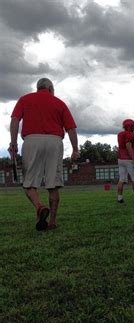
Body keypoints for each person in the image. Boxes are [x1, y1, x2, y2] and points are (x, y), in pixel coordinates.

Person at [8, 78, 80, 231]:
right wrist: (75, 149)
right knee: (53, 185)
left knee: (29, 183)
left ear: (38, 88)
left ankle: (40, 207)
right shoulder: (59, 103)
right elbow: (71, 129)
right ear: (50, 88)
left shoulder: (24, 99)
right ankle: (52, 222)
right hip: (54, 142)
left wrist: (13, 143)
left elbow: (15, 120)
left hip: (31, 140)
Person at [117, 119, 134, 203]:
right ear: (129, 126)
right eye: (132, 126)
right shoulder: (130, 135)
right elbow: (128, 146)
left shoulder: (120, 134)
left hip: (120, 159)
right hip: (128, 159)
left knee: (121, 179)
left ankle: (119, 198)